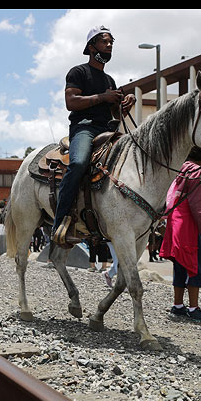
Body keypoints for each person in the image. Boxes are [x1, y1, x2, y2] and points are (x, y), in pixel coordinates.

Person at [53, 26, 136, 247]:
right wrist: (103, 96)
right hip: (84, 127)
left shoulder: (109, 79)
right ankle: (60, 223)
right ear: (91, 47)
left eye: (111, 43)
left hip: (107, 129)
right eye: (104, 42)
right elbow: (71, 102)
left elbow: (114, 111)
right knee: (79, 162)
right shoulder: (78, 72)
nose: (109, 46)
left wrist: (126, 103)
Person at [159, 147, 201, 324]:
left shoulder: (177, 168)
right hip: (188, 223)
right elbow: (198, 204)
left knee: (180, 264)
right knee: (196, 266)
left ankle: (177, 305)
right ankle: (193, 308)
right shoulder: (197, 170)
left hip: (174, 220)